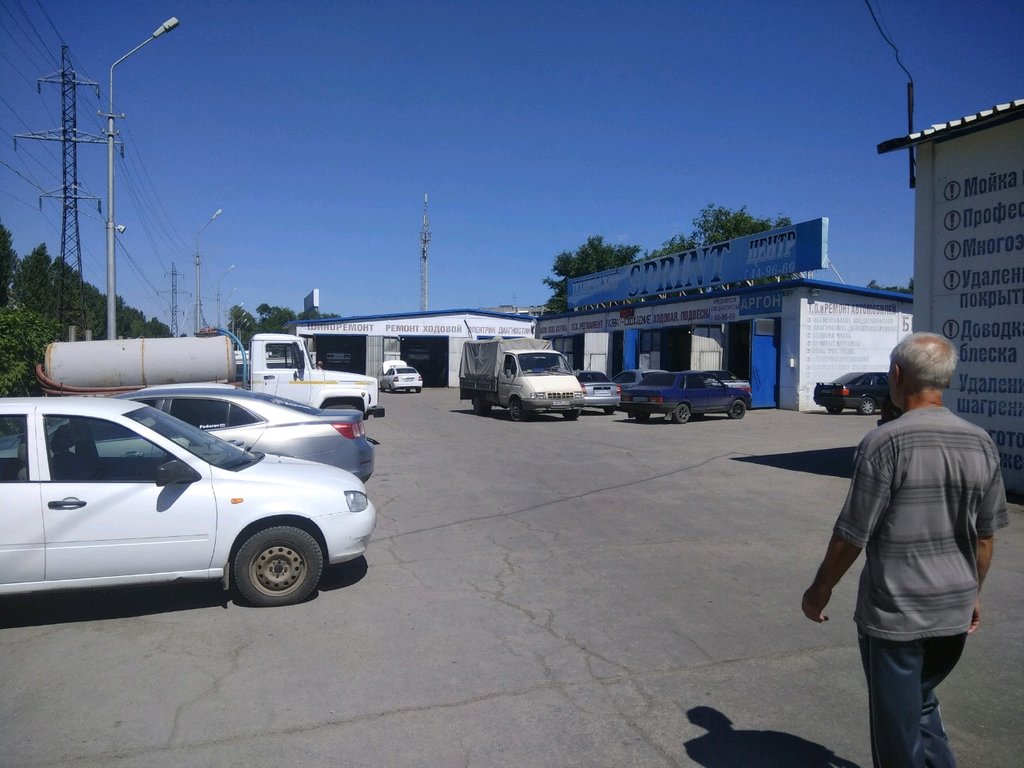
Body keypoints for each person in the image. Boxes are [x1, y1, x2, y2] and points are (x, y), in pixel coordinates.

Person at [801, 332, 1008, 768]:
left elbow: (851, 534)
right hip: (953, 612)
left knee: (895, 735)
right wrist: (972, 593)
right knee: (923, 704)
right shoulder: (980, 441)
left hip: (897, 617)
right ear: (945, 379)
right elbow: (985, 537)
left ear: (897, 375)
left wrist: (820, 590)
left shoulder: (885, 442)